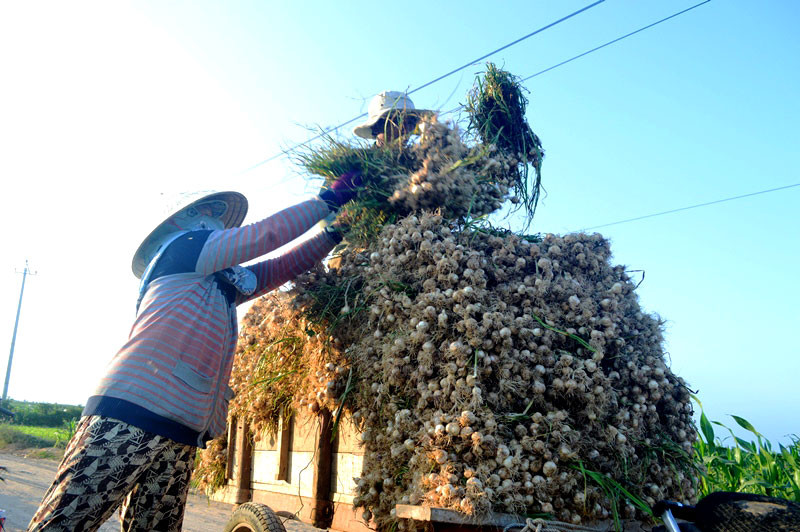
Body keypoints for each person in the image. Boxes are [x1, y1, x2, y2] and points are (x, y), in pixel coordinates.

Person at [27, 173, 362, 532]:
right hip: (130, 414)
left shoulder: (220, 284)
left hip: (181, 430)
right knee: (65, 523)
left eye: (219, 214)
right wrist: (329, 200)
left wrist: (334, 233)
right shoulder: (183, 248)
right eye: (209, 212)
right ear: (180, 223)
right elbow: (265, 236)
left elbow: (279, 268)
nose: (215, 220)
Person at [353, 90, 431, 147]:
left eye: (411, 122)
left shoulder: (417, 161)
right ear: (376, 127)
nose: (406, 129)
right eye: (398, 121)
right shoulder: (359, 163)